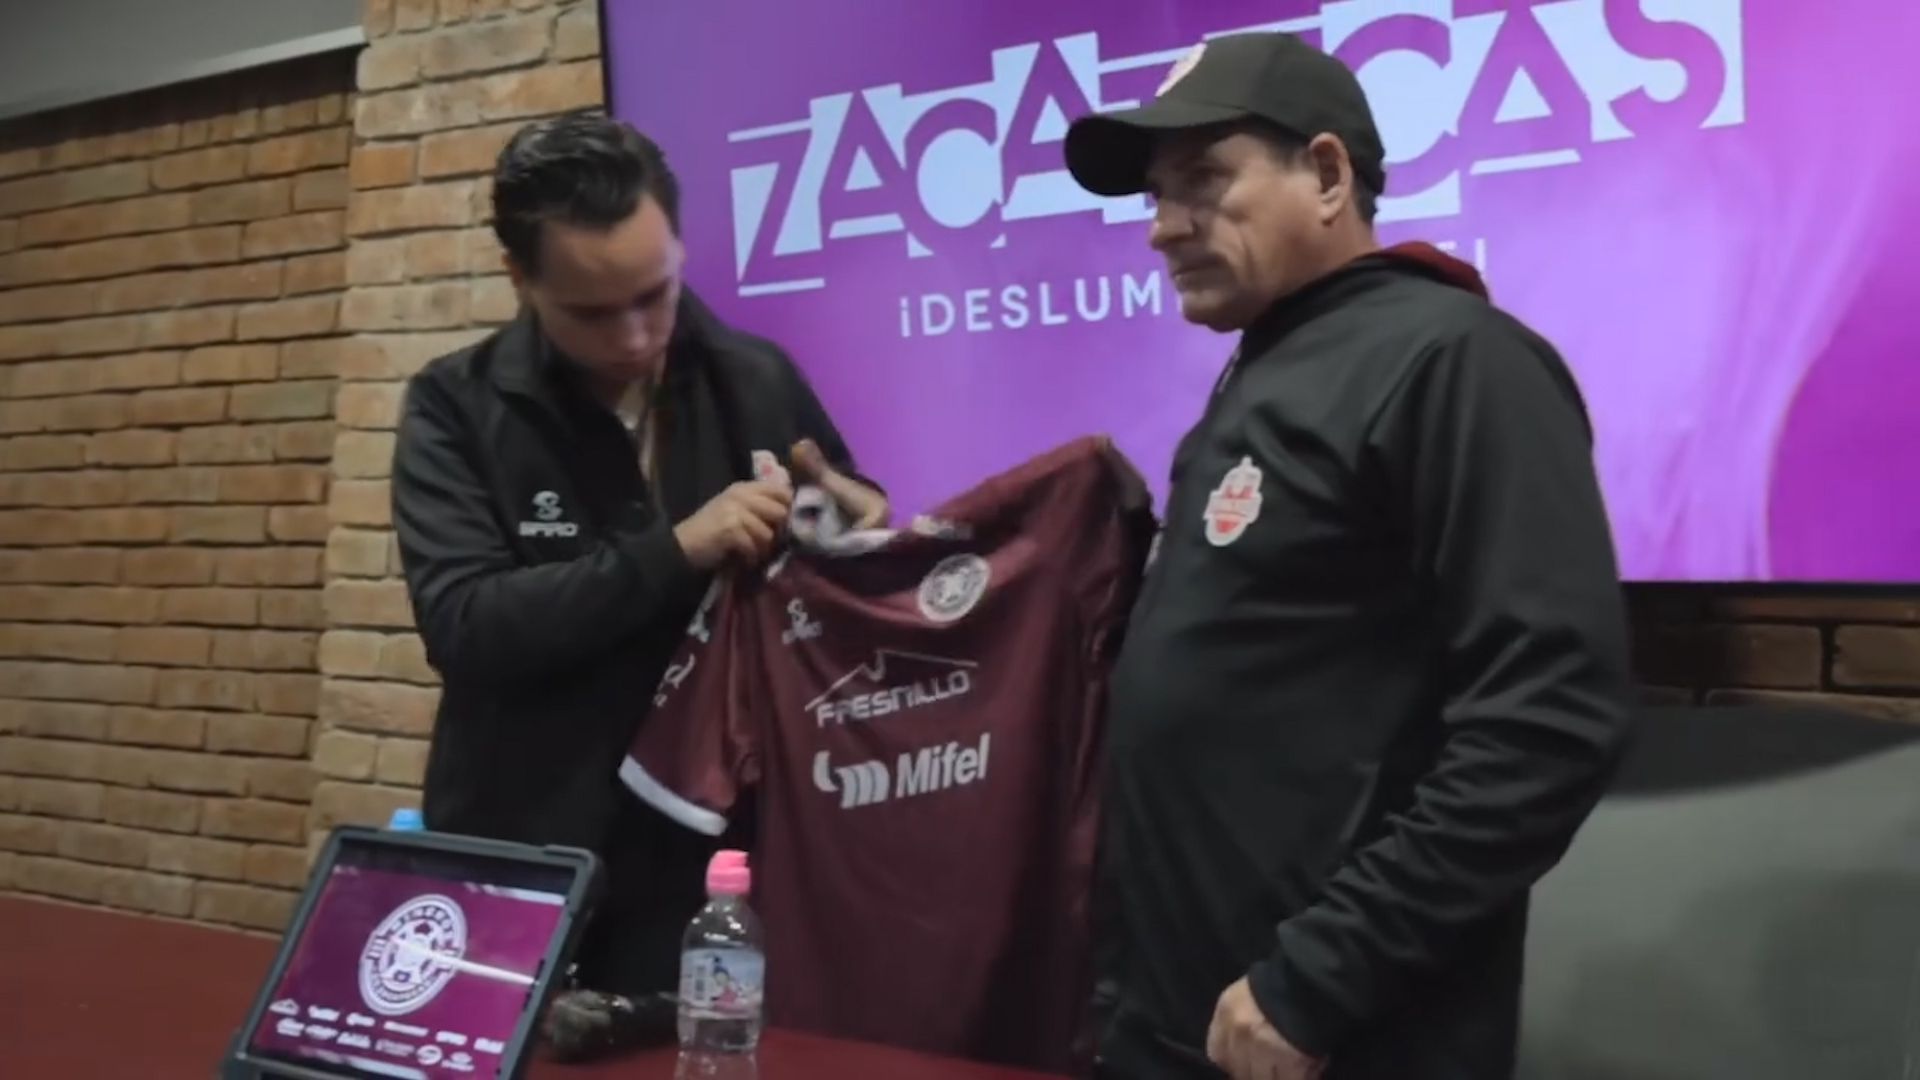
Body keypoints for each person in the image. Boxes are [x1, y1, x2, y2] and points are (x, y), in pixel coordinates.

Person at [1061, 33, 1635, 1080]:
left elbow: (1550, 718)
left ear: (1326, 174)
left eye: (1202, 180)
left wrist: (1321, 976)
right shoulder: (1265, 372)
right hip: (1181, 1024)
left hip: (1325, 1036)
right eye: (1154, 194)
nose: (1162, 226)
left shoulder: (1457, 362)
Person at [388, 110, 886, 1056]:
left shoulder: (756, 377)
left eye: (655, 295)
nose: (634, 335)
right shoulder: (454, 406)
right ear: (519, 277)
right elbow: (467, 626)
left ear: (679, 248)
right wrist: (678, 549)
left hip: (707, 871)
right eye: (591, 312)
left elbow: (826, 557)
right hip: (519, 853)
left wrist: (854, 526)